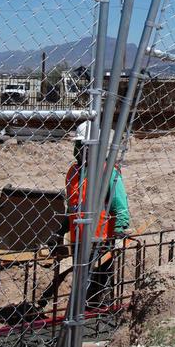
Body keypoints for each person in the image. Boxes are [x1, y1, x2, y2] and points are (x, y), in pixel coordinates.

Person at [65, 117, 130, 307]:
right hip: (78, 237)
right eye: (78, 145)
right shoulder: (73, 172)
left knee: (99, 281)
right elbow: (71, 205)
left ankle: (99, 314)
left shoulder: (107, 170)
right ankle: (81, 314)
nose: (79, 149)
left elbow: (119, 201)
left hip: (101, 238)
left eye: (82, 145)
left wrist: (119, 229)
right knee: (81, 279)